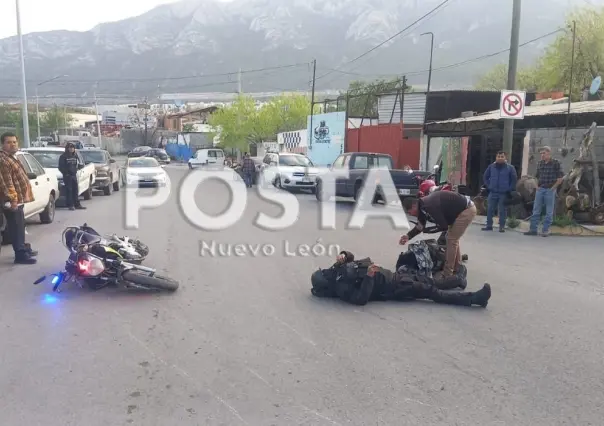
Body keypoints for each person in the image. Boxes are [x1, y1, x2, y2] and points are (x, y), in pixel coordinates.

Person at [311, 251, 491, 307]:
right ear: (325, 281)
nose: (327, 270)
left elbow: (351, 259)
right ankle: (475, 299)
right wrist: (369, 276)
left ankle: (459, 279)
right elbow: (360, 299)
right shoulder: (341, 287)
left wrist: (344, 255)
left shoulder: (338, 272)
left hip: (395, 276)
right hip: (395, 288)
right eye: (323, 273)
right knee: (432, 292)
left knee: (430, 281)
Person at [400, 190, 476, 280]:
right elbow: (419, 227)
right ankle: (457, 266)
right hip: (457, 213)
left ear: (414, 206)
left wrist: (427, 230)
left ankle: (447, 274)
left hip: (466, 210)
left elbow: (443, 226)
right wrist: (408, 236)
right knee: (452, 238)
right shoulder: (422, 208)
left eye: (410, 212)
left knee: (451, 239)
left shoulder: (430, 206)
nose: (411, 214)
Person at [0, 132, 38, 264]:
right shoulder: (3, 160)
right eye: (8, 142)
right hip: (11, 200)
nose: (12, 144)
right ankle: (20, 254)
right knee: (16, 227)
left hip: (18, 199)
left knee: (20, 225)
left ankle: (23, 248)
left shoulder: (12, 157)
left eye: (14, 142)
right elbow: (7, 183)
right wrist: (13, 200)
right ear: (2, 144)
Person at [525, 146, 563, 237]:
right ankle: (533, 229)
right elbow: (536, 176)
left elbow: (560, 178)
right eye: (541, 153)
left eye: (544, 153)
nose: (542, 155)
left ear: (549, 153)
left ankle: (545, 230)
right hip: (540, 189)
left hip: (550, 189)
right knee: (536, 210)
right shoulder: (540, 163)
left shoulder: (555, 163)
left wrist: (553, 188)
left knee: (549, 211)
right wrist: (536, 186)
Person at [482, 151, 517, 233]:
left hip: (503, 193)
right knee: (490, 209)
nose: (500, 158)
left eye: (502, 156)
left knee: (502, 210)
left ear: (505, 158)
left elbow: (514, 179)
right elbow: (485, 177)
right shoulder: (491, 167)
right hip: (493, 192)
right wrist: (488, 186)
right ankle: (489, 225)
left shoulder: (510, 168)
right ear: (496, 157)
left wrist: (509, 189)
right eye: (498, 156)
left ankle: (501, 227)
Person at [58, 142, 86, 211]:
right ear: (67, 148)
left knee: (75, 190)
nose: (71, 149)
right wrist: (66, 173)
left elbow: (76, 164)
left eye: (73, 147)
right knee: (69, 190)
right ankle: (70, 205)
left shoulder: (75, 156)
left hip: (74, 175)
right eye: (70, 147)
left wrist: (78, 168)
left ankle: (77, 204)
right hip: (67, 176)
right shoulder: (63, 156)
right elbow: (60, 167)